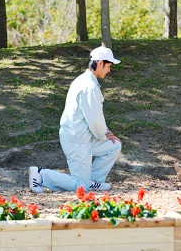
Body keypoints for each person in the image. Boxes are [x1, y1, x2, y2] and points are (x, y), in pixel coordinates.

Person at [29, 46, 122, 193]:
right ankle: (41, 175)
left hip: (83, 137)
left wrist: (106, 134)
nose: (109, 70)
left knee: (113, 145)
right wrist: (104, 134)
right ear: (99, 63)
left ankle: (94, 181)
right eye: (108, 66)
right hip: (77, 140)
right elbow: (95, 119)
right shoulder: (89, 86)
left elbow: (94, 117)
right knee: (80, 186)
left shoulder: (83, 80)